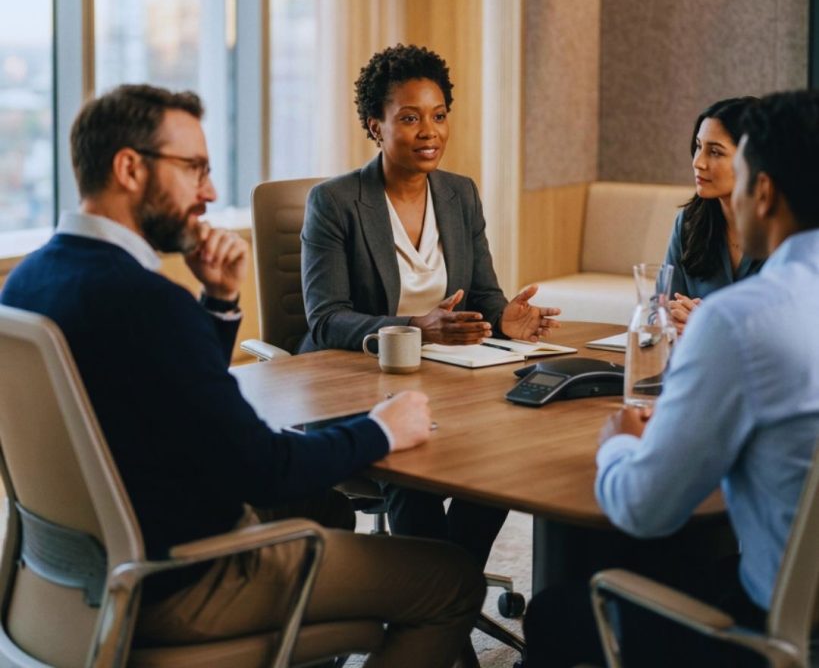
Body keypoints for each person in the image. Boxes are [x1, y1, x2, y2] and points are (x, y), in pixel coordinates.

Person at [1, 84, 486, 668]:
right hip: (189, 578)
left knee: (325, 505)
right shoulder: (147, 302)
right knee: (450, 579)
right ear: (129, 168)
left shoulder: (28, 284)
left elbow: (170, 399)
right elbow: (265, 471)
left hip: (74, 576)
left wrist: (219, 303)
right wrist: (382, 430)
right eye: (194, 169)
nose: (209, 192)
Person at [525, 89, 819, 668]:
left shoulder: (741, 321)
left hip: (771, 629)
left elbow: (645, 508)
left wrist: (619, 446)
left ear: (762, 192)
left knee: (555, 613)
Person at [301, 44, 560, 571]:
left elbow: (484, 295)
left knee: (503, 458)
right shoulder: (334, 202)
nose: (430, 132)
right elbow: (326, 319)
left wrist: (507, 318)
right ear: (375, 125)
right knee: (413, 470)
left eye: (439, 116)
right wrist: (417, 327)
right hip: (357, 383)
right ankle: (443, 613)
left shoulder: (459, 194)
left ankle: (444, 600)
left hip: (448, 384)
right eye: (410, 118)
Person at [664, 96, 764, 331]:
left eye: (716, 152)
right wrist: (668, 319)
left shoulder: (787, 231)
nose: (698, 162)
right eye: (699, 147)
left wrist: (708, 324)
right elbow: (660, 308)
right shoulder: (689, 223)